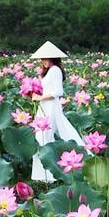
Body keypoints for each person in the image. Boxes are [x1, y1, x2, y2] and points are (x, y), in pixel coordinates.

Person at [29, 41, 86, 182]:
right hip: (44, 106)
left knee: (46, 137)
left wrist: (39, 97)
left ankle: (49, 175)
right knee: (41, 137)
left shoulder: (55, 70)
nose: (44, 61)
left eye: (47, 58)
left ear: (54, 58)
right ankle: (42, 175)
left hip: (51, 106)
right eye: (42, 59)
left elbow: (58, 92)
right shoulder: (48, 71)